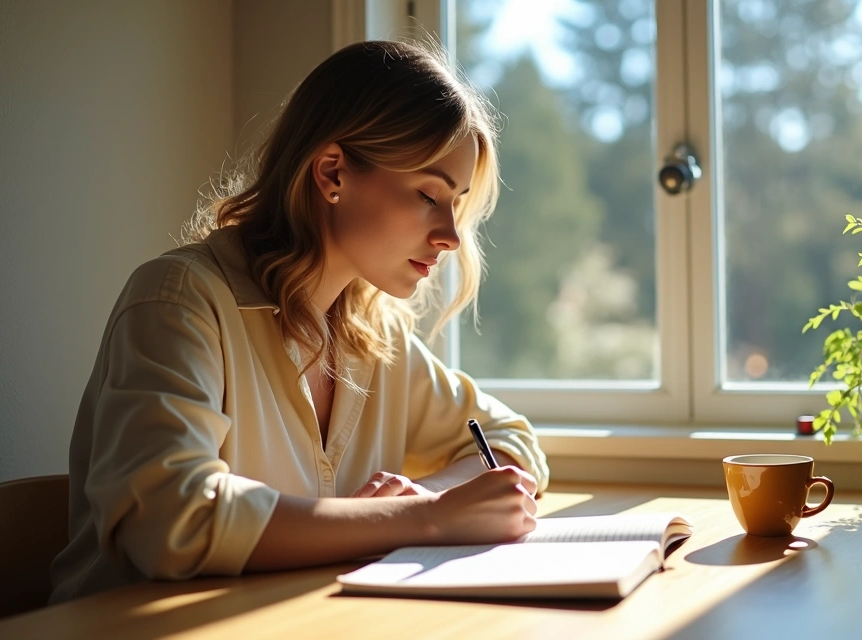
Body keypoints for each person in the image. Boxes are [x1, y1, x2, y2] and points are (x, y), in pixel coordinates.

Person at [49, 40, 548, 604]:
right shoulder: (180, 302)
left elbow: (513, 441)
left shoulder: (374, 333)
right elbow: (173, 521)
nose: (451, 237)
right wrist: (423, 517)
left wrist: (426, 497)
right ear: (332, 172)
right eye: (429, 195)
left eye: (455, 202)